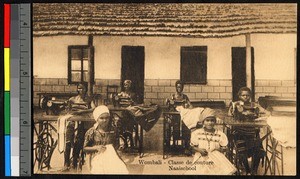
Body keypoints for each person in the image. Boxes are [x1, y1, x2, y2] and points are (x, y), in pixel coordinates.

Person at [228, 87, 270, 175]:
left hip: (253, 133)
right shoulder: (235, 104)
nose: (246, 97)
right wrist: (234, 108)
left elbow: (267, 113)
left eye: (247, 95)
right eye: (243, 95)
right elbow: (229, 116)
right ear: (239, 96)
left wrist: (260, 116)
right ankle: (247, 170)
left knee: (258, 151)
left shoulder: (254, 105)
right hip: (239, 133)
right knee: (241, 150)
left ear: (250, 96)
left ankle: (254, 171)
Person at [83, 105, 128, 174]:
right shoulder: (92, 132)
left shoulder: (114, 130)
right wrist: (96, 147)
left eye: (107, 118)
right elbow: (85, 148)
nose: (105, 120)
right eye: (102, 118)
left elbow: (116, 146)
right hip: (96, 157)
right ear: (97, 119)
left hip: (111, 157)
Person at [62, 83, 96, 171]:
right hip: (72, 121)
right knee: (68, 140)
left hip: (82, 122)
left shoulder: (89, 99)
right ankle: (66, 163)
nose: (80, 90)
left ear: (86, 89)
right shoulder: (72, 99)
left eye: (82, 88)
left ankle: (74, 160)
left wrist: (81, 112)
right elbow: (68, 110)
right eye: (79, 88)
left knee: (79, 140)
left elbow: (93, 108)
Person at [166, 80, 192, 155]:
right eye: (178, 87)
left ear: (182, 88)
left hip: (183, 116)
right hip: (175, 117)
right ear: (176, 88)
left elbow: (190, 105)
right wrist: (168, 103)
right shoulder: (173, 96)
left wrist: (187, 105)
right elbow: (169, 107)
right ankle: (174, 146)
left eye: (180, 87)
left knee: (185, 129)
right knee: (174, 129)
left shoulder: (185, 97)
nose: (179, 88)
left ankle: (186, 147)